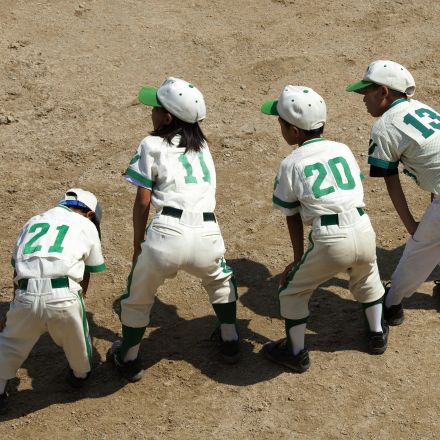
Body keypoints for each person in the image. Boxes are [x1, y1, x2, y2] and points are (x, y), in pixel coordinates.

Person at [108, 77, 239, 382]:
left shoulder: (151, 144)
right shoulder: (204, 147)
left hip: (167, 232)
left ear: (167, 118)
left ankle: (128, 357)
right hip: (208, 232)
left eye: (156, 107)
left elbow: (142, 202)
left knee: (138, 294)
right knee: (221, 282)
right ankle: (231, 341)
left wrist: (138, 243)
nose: (151, 111)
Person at [259, 85, 387, 373]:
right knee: (367, 277)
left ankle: (295, 352)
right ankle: (377, 334)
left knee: (291, 292)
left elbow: (291, 214)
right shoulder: (341, 149)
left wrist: (296, 258)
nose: (279, 126)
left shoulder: (291, 162)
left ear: (293, 131)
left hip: (330, 239)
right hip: (363, 227)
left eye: (280, 121)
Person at [346, 60, 440, 326]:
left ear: (384, 92)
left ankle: (392, 303)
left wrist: (412, 226)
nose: (363, 98)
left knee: (418, 252)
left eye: (367, 92)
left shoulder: (385, 127)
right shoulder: (421, 107)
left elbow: (390, 178)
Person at [0, 188, 106, 413]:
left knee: (9, 344)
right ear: (89, 214)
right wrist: (80, 299)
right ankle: (79, 375)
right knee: (77, 340)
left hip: (25, 293)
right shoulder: (86, 225)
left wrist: (13, 306)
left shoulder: (33, 221)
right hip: (63, 294)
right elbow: (91, 267)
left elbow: (16, 269)